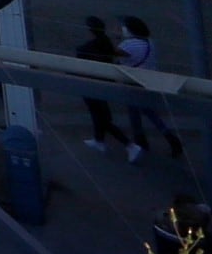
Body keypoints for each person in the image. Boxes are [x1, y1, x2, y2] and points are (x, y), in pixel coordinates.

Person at [116, 19, 185, 160]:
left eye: (123, 28)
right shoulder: (149, 42)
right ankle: (167, 138)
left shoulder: (129, 44)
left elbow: (115, 54)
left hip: (133, 82)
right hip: (149, 81)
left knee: (135, 112)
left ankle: (142, 140)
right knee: (146, 111)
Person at [76, 16, 127, 151]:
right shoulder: (106, 42)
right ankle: (99, 140)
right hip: (104, 81)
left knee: (101, 116)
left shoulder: (88, 47)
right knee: (99, 114)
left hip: (92, 83)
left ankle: (129, 145)